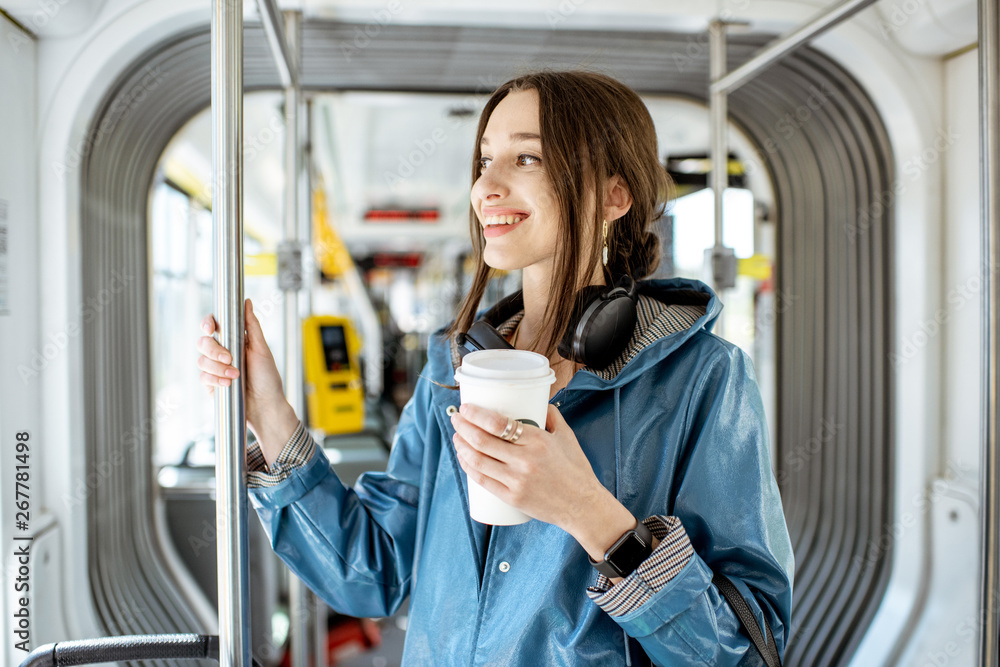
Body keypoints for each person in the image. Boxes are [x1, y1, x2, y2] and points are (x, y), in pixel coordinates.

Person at [197, 70, 793, 666]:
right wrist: (272, 419)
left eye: (527, 158)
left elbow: (745, 653)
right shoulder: (451, 372)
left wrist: (593, 517)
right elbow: (373, 574)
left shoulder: (703, 380)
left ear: (614, 195)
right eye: (485, 161)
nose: (486, 187)